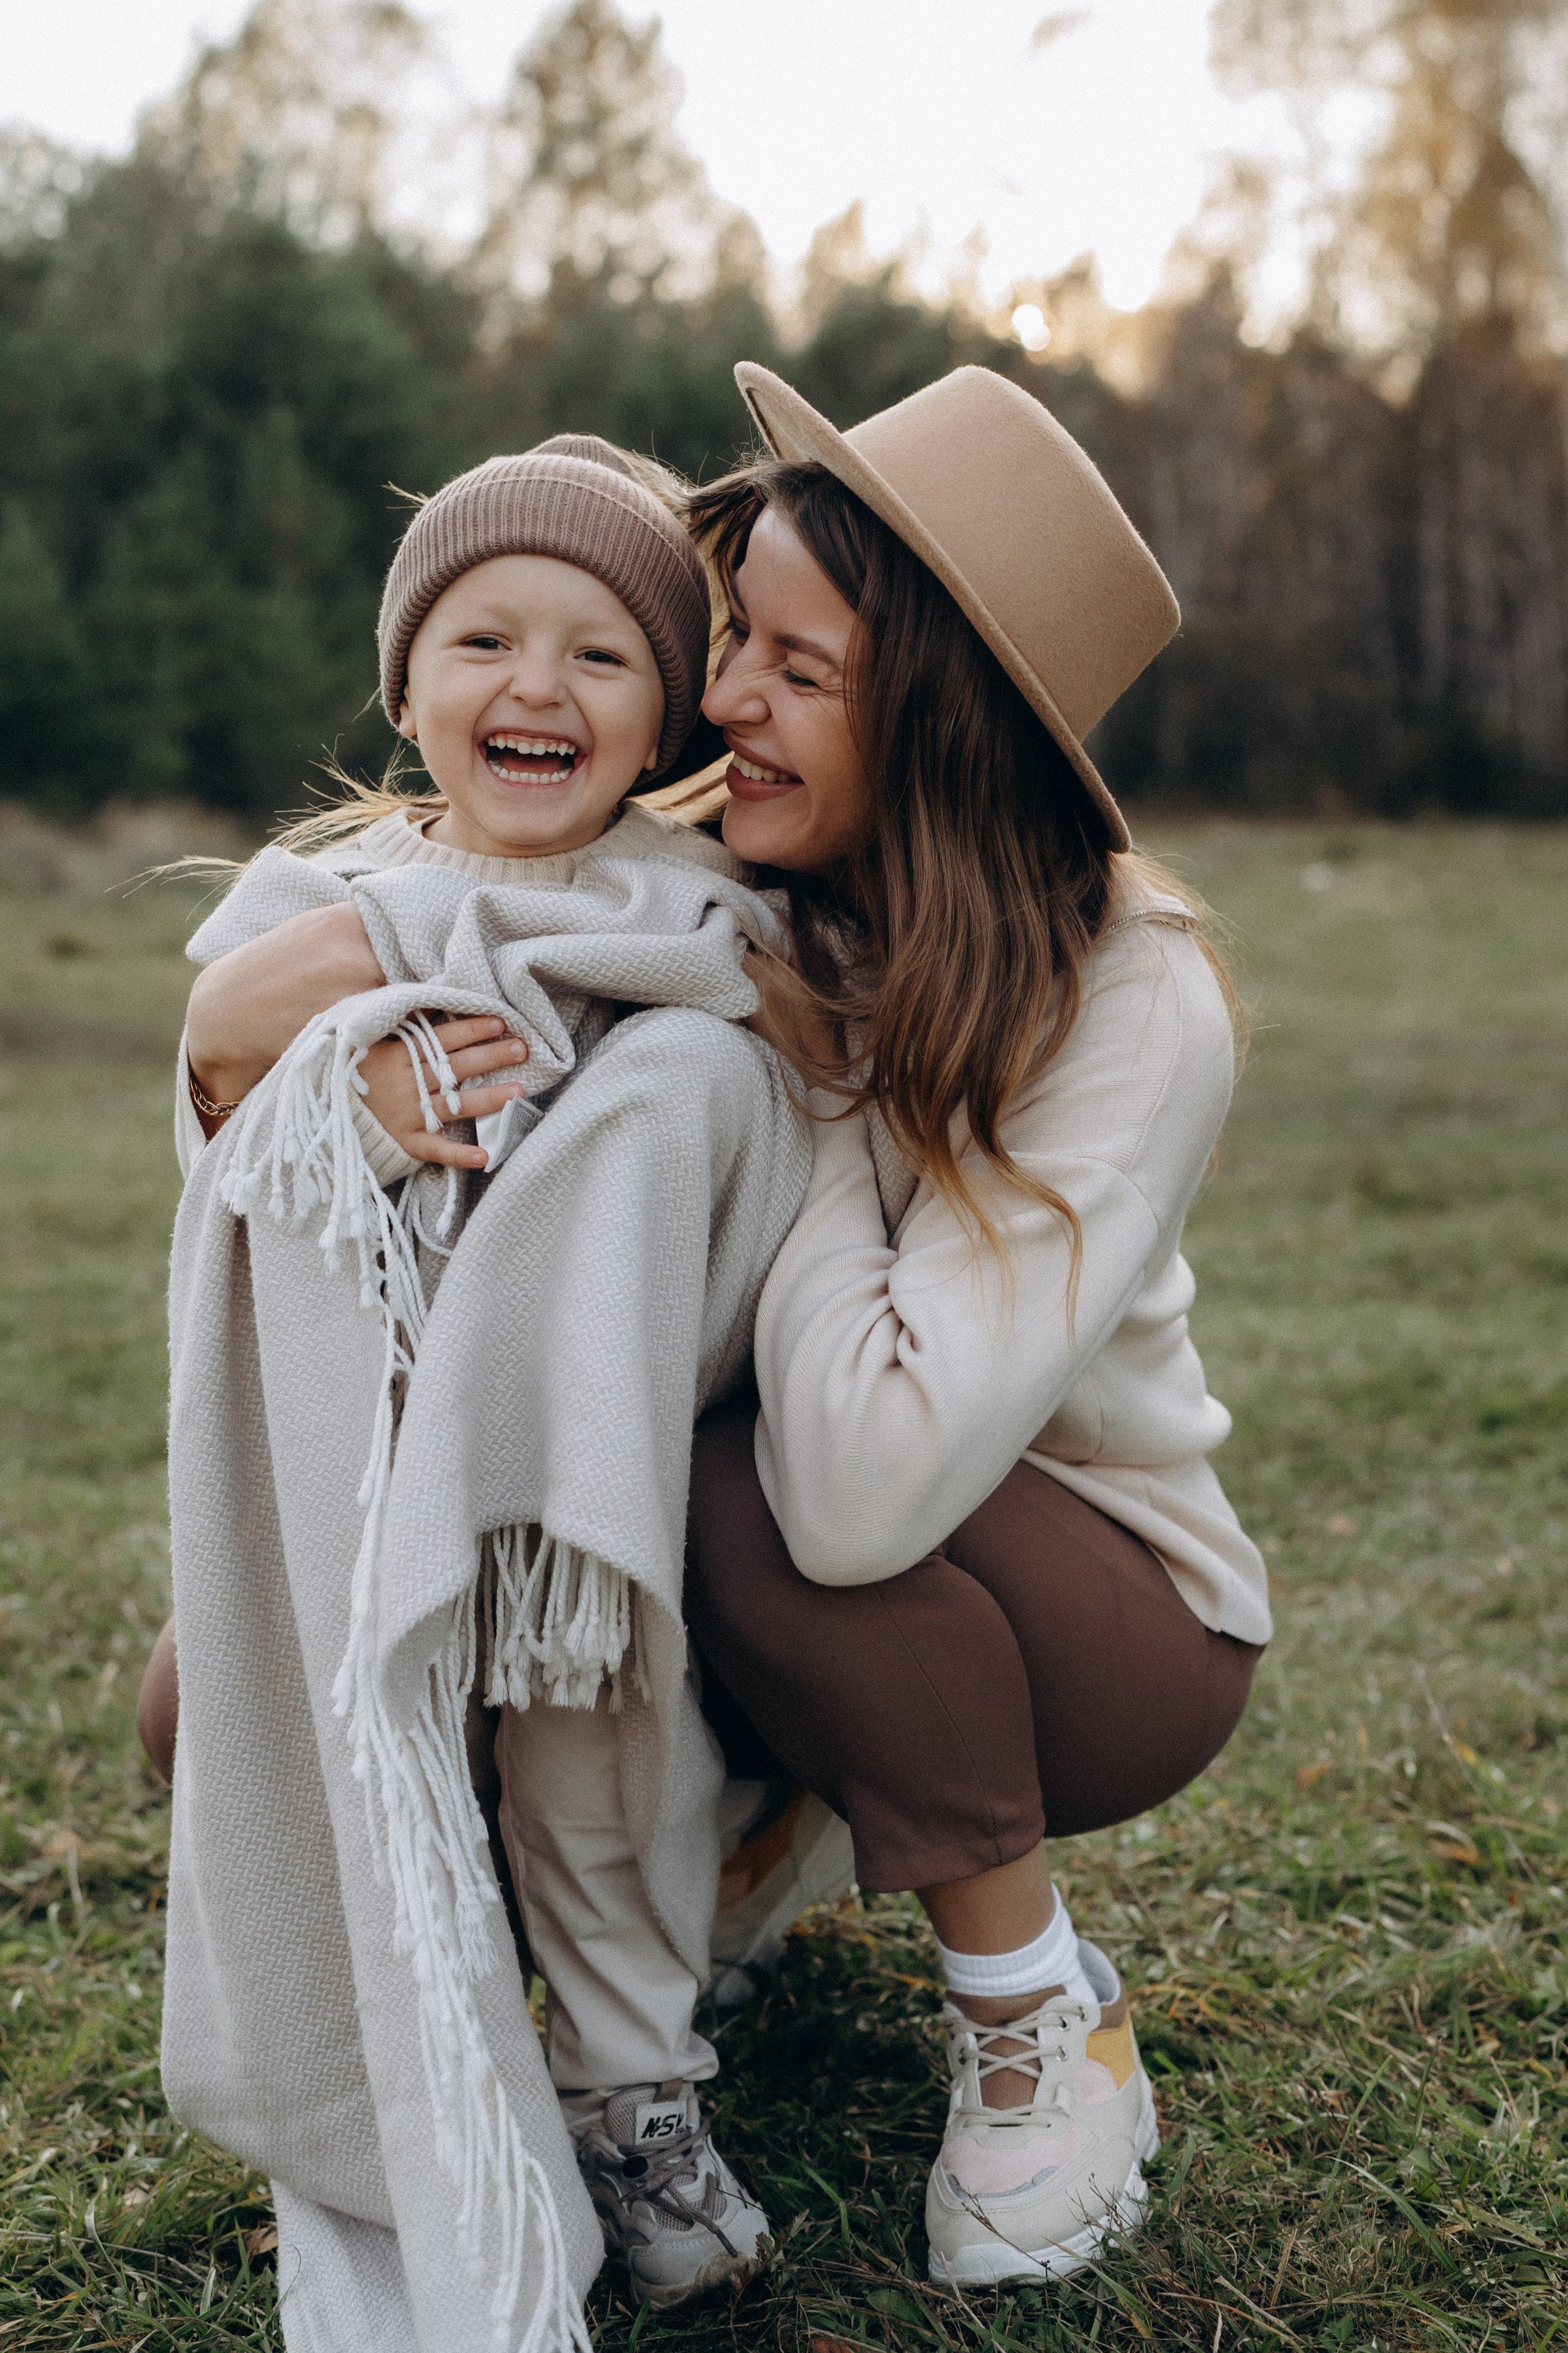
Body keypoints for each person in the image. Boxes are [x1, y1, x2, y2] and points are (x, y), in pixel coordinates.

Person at [154, 436, 803, 2349]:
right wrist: (292, 1085)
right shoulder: (309, 904)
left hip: (591, 1481)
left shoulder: (692, 911)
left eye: (603, 655)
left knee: (606, 1741)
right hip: (377, 1470)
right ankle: (415, 2061)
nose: (539, 686)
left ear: (667, 703)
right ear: (408, 683)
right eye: (485, 640)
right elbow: (217, 1158)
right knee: (248, 1725)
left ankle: (633, 2098)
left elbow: (741, 1139)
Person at [674, 361, 1272, 2290]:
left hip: (1107, 1618)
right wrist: (245, 1010)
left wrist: (834, 1070)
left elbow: (861, 1484)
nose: (721, 699)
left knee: (758, 1485)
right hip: (833, 1508)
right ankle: (758, 1830)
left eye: (793, 664)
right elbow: (426, 873)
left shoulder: (1131, 1002)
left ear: (935, 718)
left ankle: (1038, 2013)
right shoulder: (743, 867)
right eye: (729, 637)